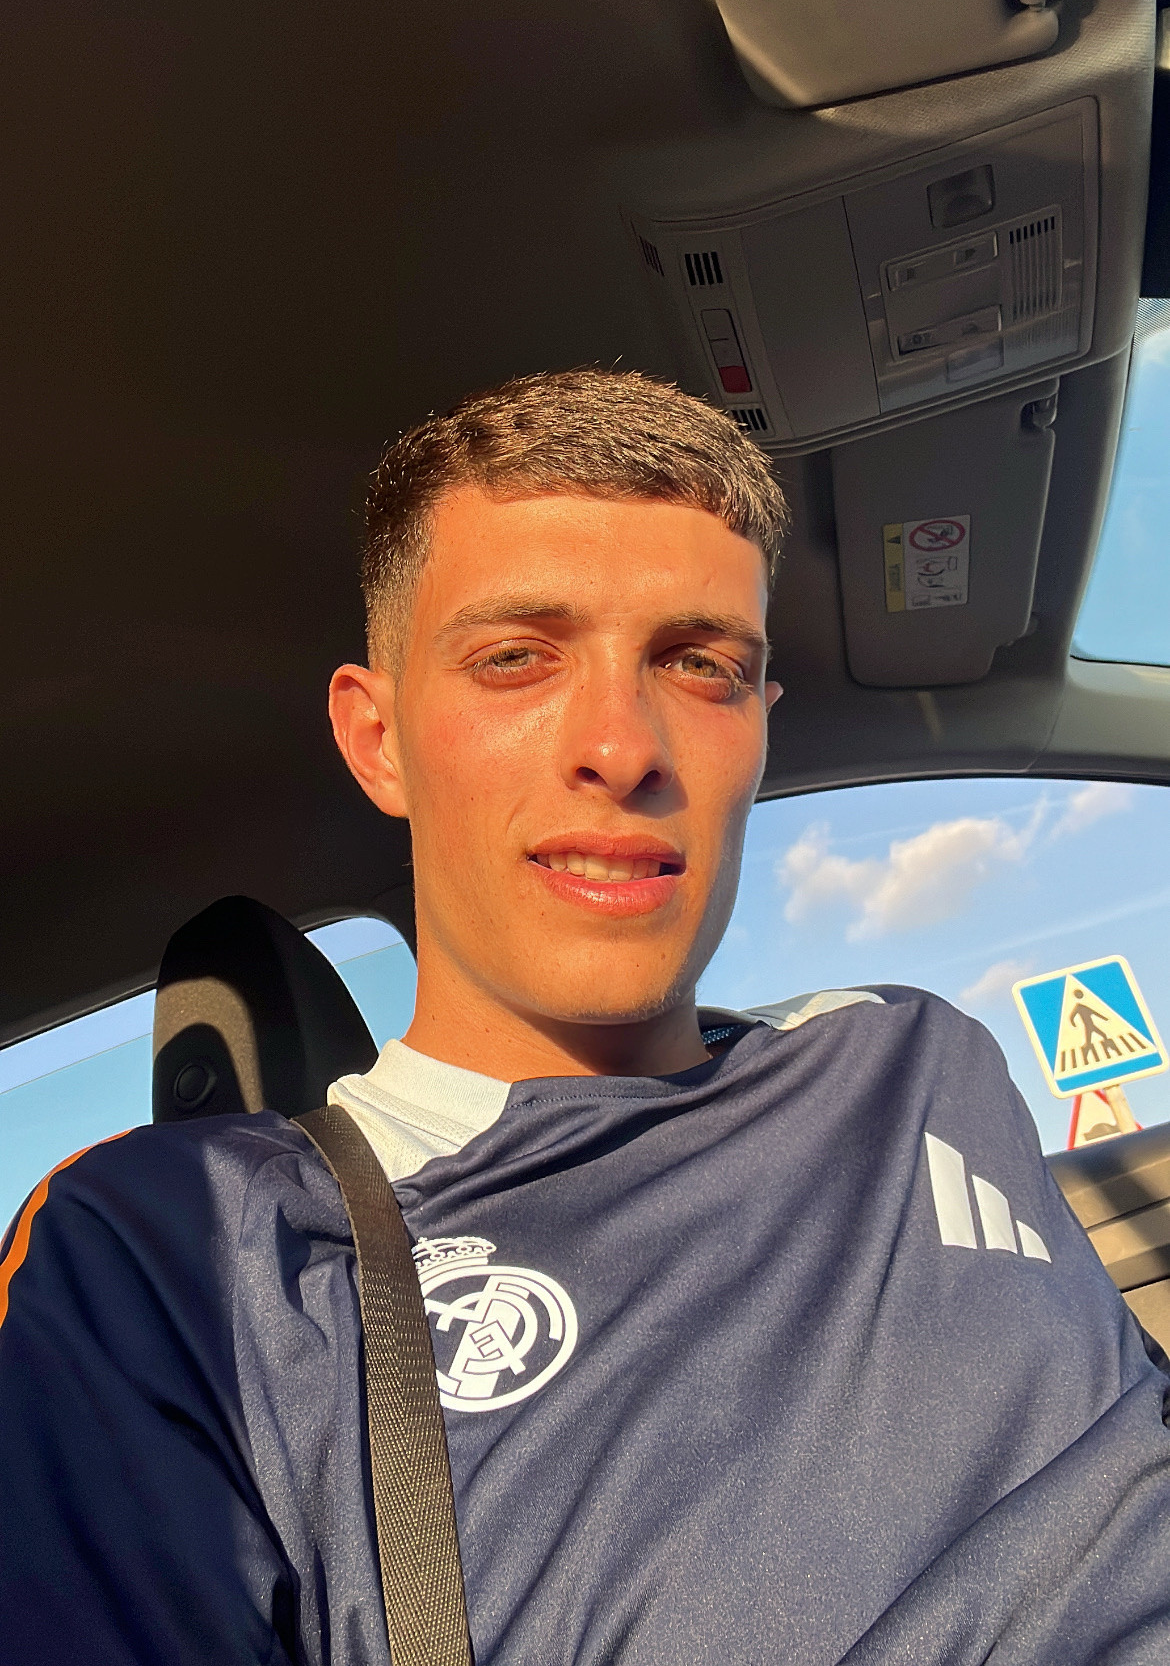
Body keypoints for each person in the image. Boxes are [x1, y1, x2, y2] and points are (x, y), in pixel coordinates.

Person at [3, 367, 1170, 1664]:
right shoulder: (181, 1251)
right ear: (379, 740)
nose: (622, 746)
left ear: (760, 727)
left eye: (701, 665)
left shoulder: (911, 1055)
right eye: (515, 659)